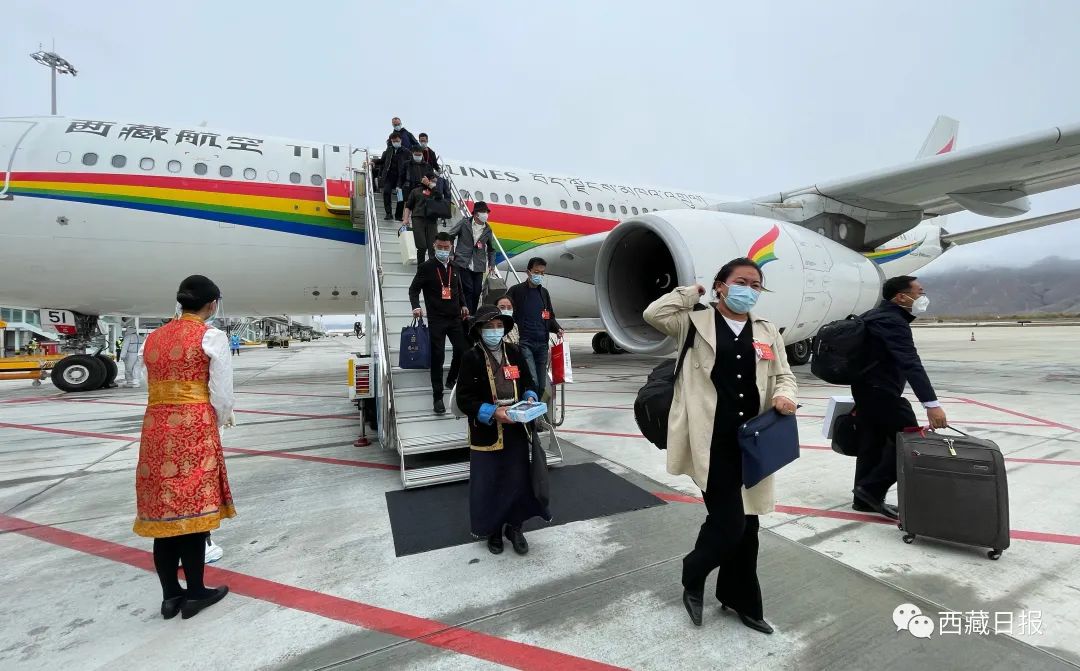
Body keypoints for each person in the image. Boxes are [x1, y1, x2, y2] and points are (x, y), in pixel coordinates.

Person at [643, 257, 798, 635]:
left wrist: (785, 395)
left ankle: (740, 599)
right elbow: (653, 314)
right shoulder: (694, 322)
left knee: (749, 526)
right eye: (741, 282)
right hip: (710, 440)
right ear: (721, 286)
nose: (749, 290)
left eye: (756, 285)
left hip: (753, 441)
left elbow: (784, 375)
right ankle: (693, 573)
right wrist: (690, 292)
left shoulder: (766, 330)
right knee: (730, 524)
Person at [133, 274, 235, 620]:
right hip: (194, 425)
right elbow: (222, 392)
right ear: (212, 304)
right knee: (193, 510)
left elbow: (146, 381)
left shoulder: (154, 337)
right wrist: (218, 420)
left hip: (155, 428)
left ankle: (170, 596)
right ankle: (195, 594)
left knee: (164, 515)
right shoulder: (211, 336)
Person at [455, 304, 548, 555]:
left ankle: (515, 528)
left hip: (516, 428)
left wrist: (530, 397)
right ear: (479, 330)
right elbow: (464, 399)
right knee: (490, 483)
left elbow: (528, 382)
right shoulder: (471, 357)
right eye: (489, 327)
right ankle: (494, 530)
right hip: (487, 432)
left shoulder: (515, 352)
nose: (495, 331)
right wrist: (493, 412)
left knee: (517, 480)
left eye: (498, 326)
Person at [851, 275, 947, 520]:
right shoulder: (892, 321)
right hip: (882, 394)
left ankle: (863, 499)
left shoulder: (874, 315)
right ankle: (871, 490)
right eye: (919, 292)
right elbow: (910, 362)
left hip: (865, 390)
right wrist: (931, 404)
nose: (922, 297)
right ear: (901, 297)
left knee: (872, 443)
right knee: (911, 441)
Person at [408, 233, 469, 414]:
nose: (443, 250)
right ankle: (437, 396)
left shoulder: (455, 267)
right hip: (437, 319)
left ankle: (451, 379)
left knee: (463, 350)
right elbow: (413, 290)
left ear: (451, 247)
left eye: (446, 247)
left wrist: (464, 305)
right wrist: (416, 306)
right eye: (440, 247)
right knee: (438, 356)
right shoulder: (426, 267)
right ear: (434, 246)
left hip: (455, 318)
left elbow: (459, 290)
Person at [505, 258, 564, 388]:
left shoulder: (544, 293)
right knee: (532, 381)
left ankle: (538, 400)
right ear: (528, 272)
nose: (539, 276)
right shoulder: (516, 291)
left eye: (542, 273)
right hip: (525, 342)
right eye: (536, 272)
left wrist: (557, 329)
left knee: (542, 385)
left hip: (542, 343)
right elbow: (505, 311)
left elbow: (549, 316)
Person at [447, 201, 498, 315]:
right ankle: (467, 315)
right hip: (463, 261)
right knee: (468, 289)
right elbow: (450, 235)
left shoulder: (488, 229)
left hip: (479, 264)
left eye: (486, 212)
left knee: (477, 292)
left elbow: (492, 249)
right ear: (475, 214)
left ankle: (472, 315)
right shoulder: (465, 223)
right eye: (483, 212)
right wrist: (451, 253)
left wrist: (492, 264)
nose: (485, 214)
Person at [404, 172, 445, 264]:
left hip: (432, 220)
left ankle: (432, 267)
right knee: (422, 246)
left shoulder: (435, 191)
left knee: (433, 246)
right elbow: (408, 206)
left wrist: (430, 185)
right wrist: (405, 219)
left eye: (435, 181)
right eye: (433, 180)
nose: (435, 182)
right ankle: (421, 267)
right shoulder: (415, 191)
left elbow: (440, 196)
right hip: (418, 219)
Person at [379, 133, 410, 221]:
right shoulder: (388, 150)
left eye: (397, 141)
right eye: (393, 141)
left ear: (401, 140)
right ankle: (388, 213)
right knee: (386, 192)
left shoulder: (406, 152)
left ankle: (398, 215)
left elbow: (410, 164)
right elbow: (382, 161)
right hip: (389, 177)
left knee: (400, 197)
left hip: (400, 178)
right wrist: (373, 162)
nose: (395, 142)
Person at [119, 318, 143, 388]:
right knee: (137, 368)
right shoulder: (141, 338)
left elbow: (125, 347)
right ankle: (136, 382)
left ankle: (129, 382)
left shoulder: (128, 337)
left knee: (128, 369)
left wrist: (122, 356)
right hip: (140, 355)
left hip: (131, 355)